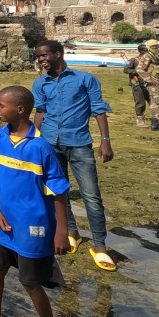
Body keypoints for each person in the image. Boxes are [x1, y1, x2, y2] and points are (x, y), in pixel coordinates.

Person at [0, 86, 70, 317]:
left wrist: (61, 230)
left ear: (21, 110)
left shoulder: (40, 147)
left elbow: (59, 191)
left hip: (32, 226)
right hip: (1, 222)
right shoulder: (0, 136)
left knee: (30, 281)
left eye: (2, 106)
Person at [33, 40, 116, 271]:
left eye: (44, 55)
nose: (40, 59)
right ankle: (71, 232)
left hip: (79, 143)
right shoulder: (41, 83)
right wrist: (33, 141)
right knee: (59, 192)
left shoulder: (85, 79)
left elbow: (98, 110)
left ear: (58, 54)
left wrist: (105, 142)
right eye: (38, 56)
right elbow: (40, 111)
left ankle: (100, 246)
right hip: (50, 143)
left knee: (91, 195)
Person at [136, 39, 159, 133]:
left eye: (157, 46)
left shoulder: (158, 55)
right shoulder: (147, 56)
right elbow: (140, 70)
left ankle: (155, 124)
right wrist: (150, 81)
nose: (156, 48)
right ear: (149, 47)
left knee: (155, 103)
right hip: (154, 83)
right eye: (153, 46)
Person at [123, 44, 150, 128]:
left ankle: (157, 120)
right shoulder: (134, 60)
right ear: (142, 52)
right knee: (140, 102)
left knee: (153, 101)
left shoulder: (150, 60)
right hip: (137, 84)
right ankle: (140, 120)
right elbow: (126, 69)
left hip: (149, 84)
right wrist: (136, 71)